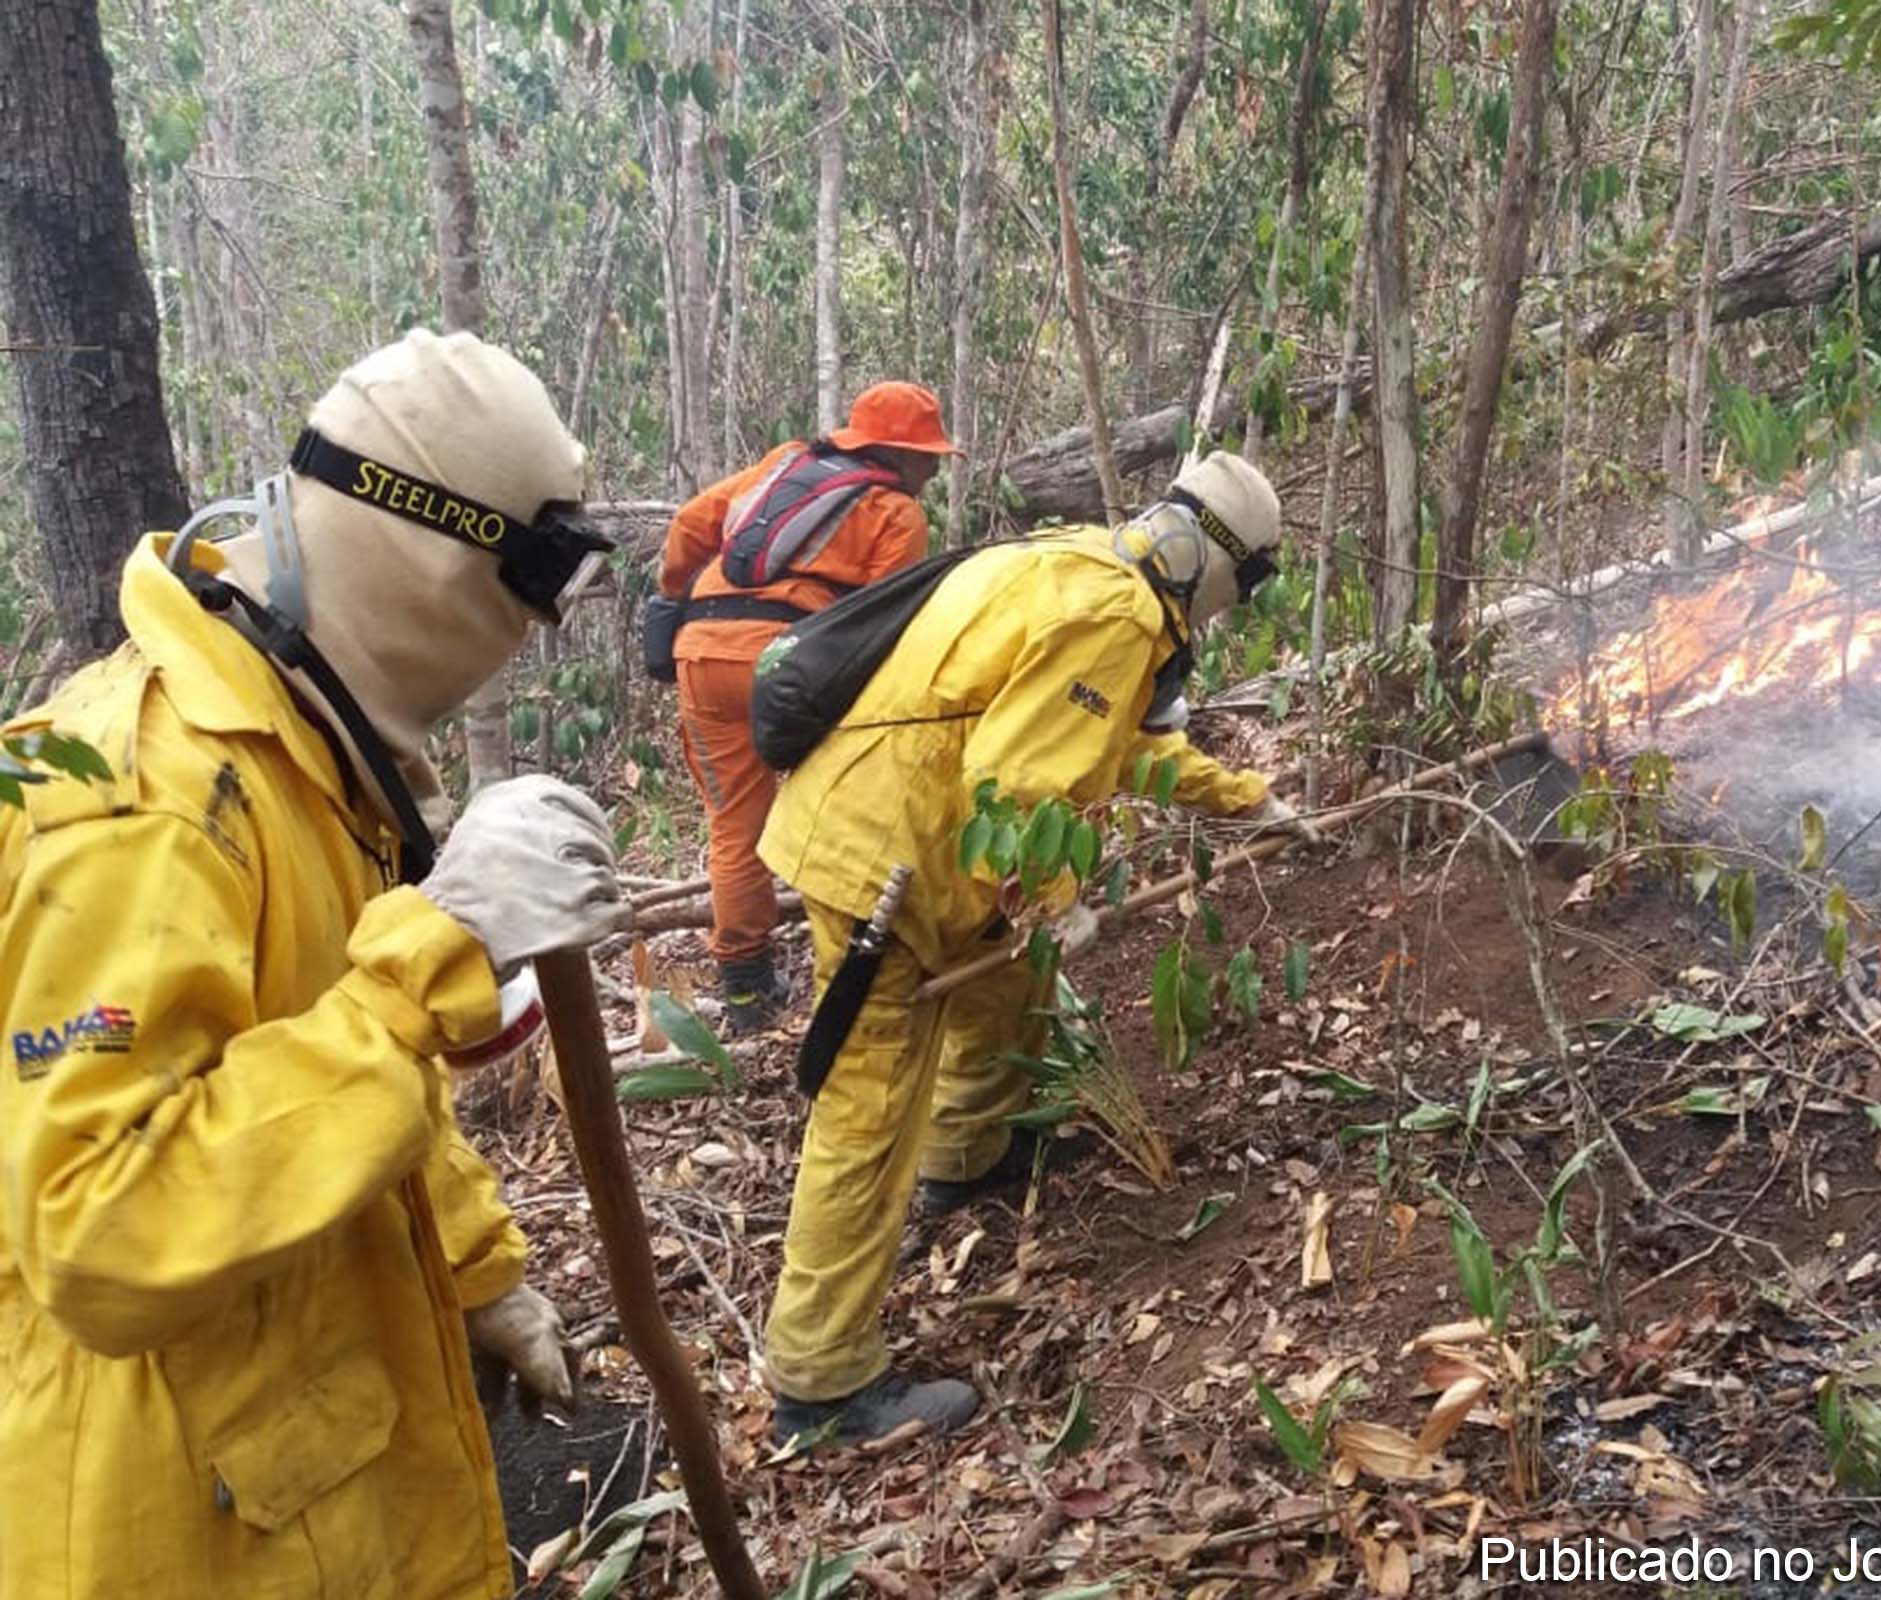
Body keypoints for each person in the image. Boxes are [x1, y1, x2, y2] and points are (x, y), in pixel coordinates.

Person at [0, 329, 625, 1599]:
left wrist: (477, 1271)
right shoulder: (151, 806)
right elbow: (98, 1229)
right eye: (539, 571)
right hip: (177, 1524)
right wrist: (430, 959)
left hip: (314, 1476)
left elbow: (317, 1066)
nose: (538, 626)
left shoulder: (295, 746)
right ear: (438, 557)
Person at [755, 451, 1318, 1446]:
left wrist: (1244, 797)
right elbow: (1014, 788)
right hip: (886, 863)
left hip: (897, 838)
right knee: (868, 1109)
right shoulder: (1117, 615)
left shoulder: (1076, 564)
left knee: (1008, 988)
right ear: (1224, 565)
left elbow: (1112, 748)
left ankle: (968, 1157)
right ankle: (821, 1380)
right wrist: (1058, 899)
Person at [657, 383, 955, 1034]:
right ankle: (855, 945)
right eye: (928, 457)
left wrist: (672, 597)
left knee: (734, 824)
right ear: (898, 453)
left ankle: (746, 988)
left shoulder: (785, 463)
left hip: (701, 653)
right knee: (843, 795)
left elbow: (688, 526)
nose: (932, 471)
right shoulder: (896, 513)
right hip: (789, 663)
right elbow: (886, 622)